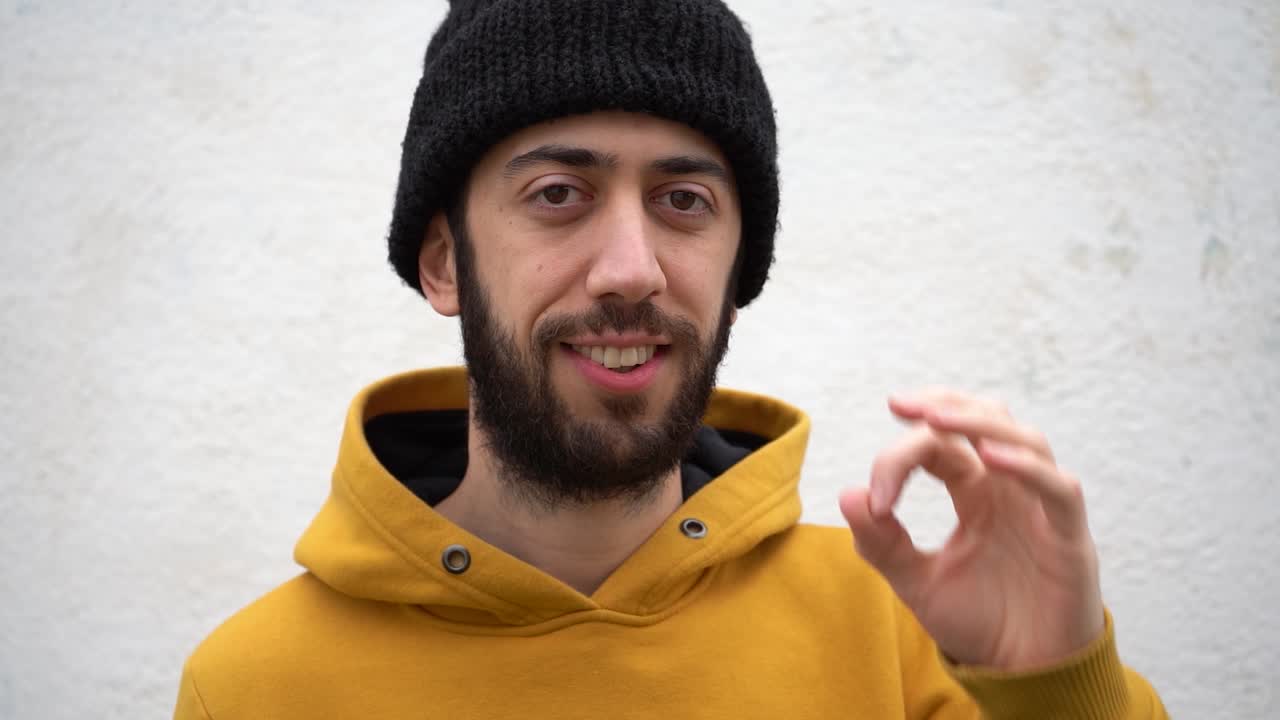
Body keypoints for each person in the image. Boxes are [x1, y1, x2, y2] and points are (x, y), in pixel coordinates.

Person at [174, 1, 1168, 717]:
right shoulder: (257, 686)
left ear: (737, 269)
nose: (629, 270)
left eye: (682, 201)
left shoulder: (907, 635)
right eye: (558, 193)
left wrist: (1051, 691)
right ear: (443, 262)